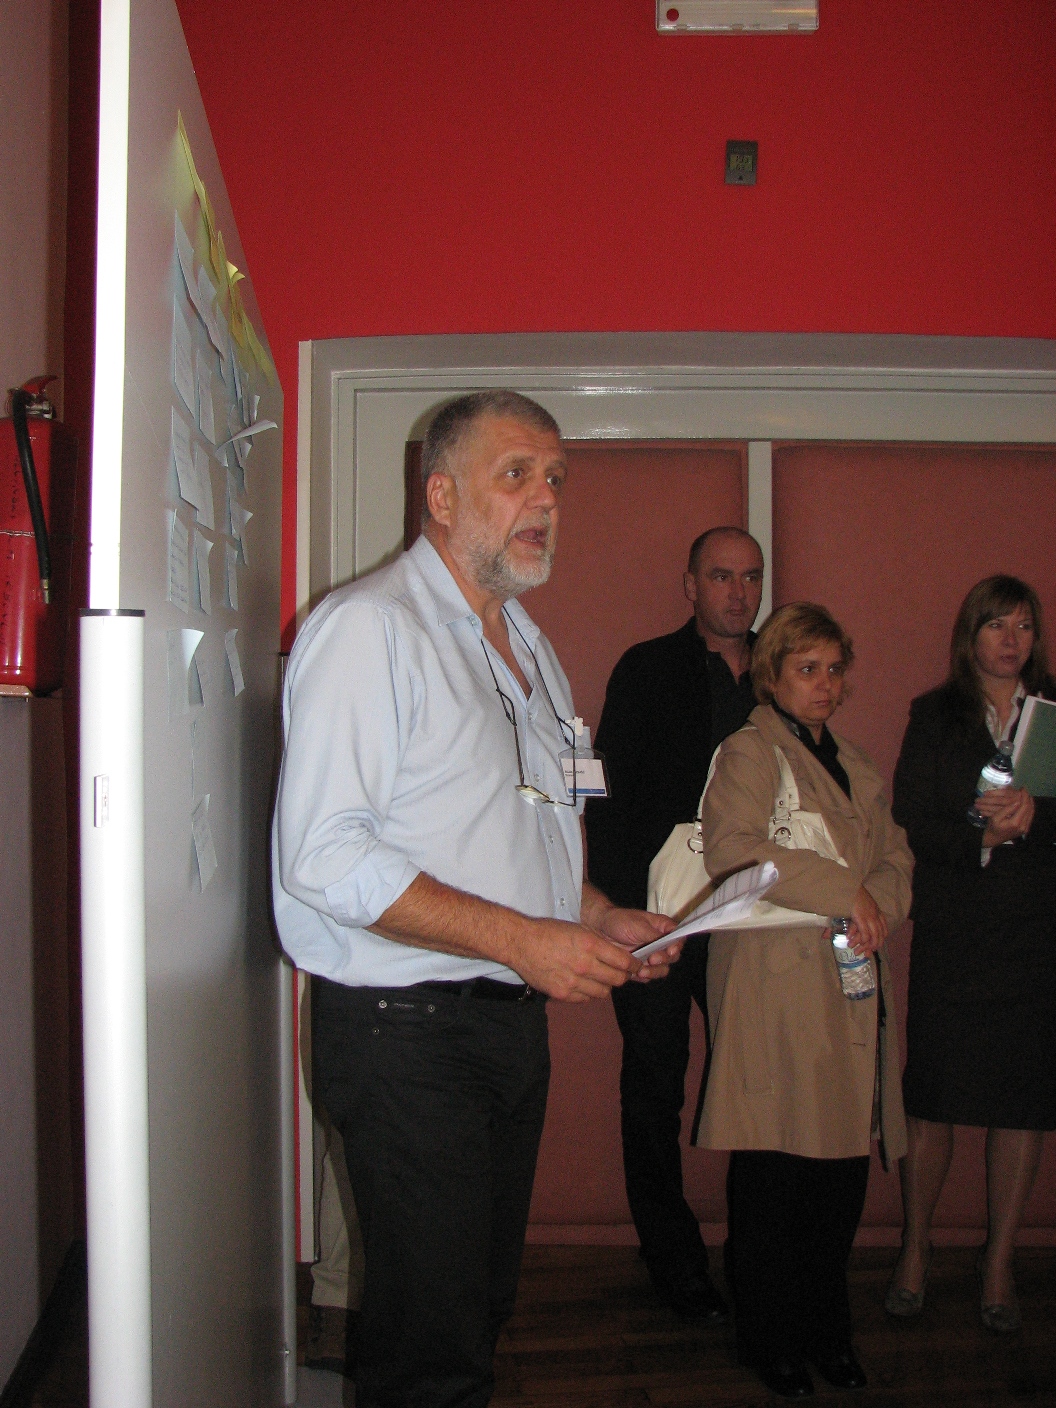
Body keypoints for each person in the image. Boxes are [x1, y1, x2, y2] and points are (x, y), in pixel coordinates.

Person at [272, 390, 679, 1408]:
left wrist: (594, 916)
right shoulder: (370, 628)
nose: (546, 499)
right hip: (405, 1035)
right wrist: (520, 939)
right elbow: (323, 854)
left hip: (505, 1028)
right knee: (432, 1350)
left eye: (557, 480)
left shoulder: (529, 647)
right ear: (442, 496)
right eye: (517, 475)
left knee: (476, 1312)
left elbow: (525, 832)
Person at [695, 603, 913, 1399]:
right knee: (775, 1169)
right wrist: (847, 892)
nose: (825, 684)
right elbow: (733, 849)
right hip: (776, 982)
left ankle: (828, 1329)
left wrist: (877, 905)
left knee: (840, 1175)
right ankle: (769, 1335)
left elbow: (896, 855)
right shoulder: (749, 751)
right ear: (773, 675)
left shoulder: (853, 760)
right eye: (807, 669)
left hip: (847, 977)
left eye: (834, 669)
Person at [585, 526, 764, 1319]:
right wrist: (618, 912)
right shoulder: (646, 668)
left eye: (751, 577)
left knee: (760, 1084)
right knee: (654, 1088)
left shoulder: (782, 671)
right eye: (722, 576)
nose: (738, 592)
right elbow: (608, 799)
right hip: (658, 914)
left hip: (755, 917)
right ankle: (673, 1259)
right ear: (690, 585)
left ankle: (759, 1254)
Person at [885, 575, 1056, 1334]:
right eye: (996, 625)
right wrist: (982, 833)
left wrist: (1035, 818)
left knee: (1023, 1103)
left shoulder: (1053, 714)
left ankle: (999, 1261)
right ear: (970, 635)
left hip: (1034, 936)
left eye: (1023, 626)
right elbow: (911, 821)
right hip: (955, 934)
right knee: (933, 1098)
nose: (1011, 640)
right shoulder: (935, 714)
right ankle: (916, 1248)